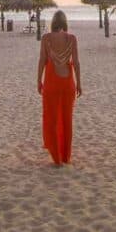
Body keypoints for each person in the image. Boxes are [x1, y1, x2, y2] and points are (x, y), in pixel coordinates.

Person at [37, 10, 81, 166]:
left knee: (52, 119)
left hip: (51, 81)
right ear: (65, 23)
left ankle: (57, 158)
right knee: (67, 119)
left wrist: (38, 80)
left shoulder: (46, 38)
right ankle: (65, 157)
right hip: (68, 82)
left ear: (53, 23)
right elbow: (76, 63)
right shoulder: (72, 39)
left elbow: (42, 60)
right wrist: (79, 83)